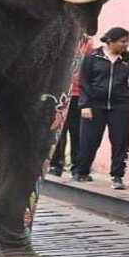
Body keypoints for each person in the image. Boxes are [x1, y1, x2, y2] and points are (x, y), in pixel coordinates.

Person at [73, 28, 129, 189]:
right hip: (95, 105)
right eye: (122, 41)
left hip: (121, 106)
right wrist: (85, 104)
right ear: (110, 42)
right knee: (89, 140)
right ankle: (82, 171)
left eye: (127, 41)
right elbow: (84, 82)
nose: (126, 45)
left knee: (121, 141)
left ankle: (117, 176)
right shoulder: (92, 57)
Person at [49, 35, 96, 177]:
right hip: (59, 93)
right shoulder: (59, 38)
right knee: (58, 131)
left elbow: (90, 68)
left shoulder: (87, 42)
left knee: (77, 133)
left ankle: (77, 166)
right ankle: (56, 164)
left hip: (78, 94)